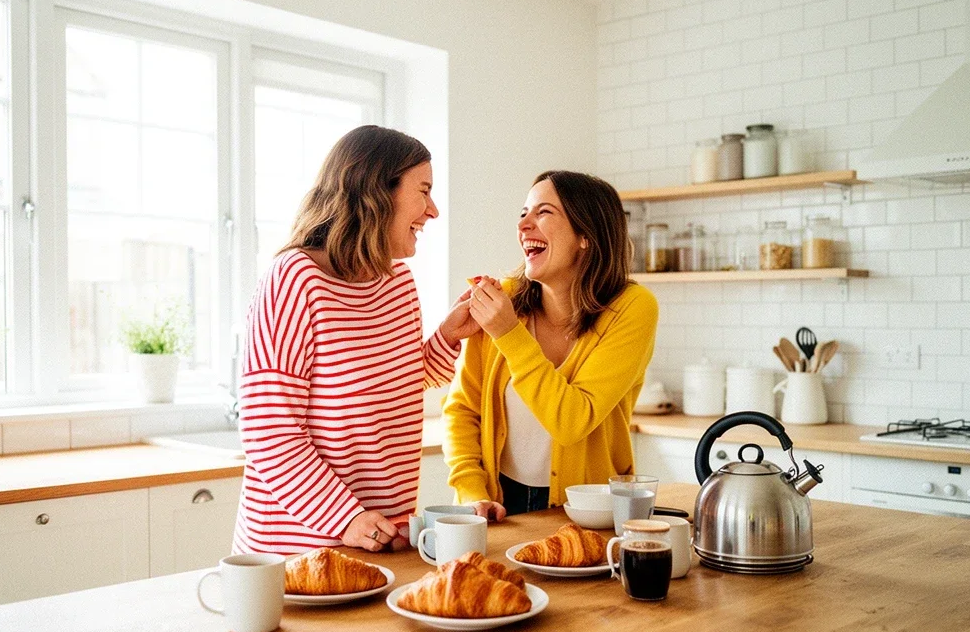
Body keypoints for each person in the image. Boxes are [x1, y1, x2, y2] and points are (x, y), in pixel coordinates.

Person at [233, 126, 478, 555]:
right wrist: (345, 518)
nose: (433, 210)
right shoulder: (294, 280)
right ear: (378, 192)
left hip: (381, 539)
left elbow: (400, 380)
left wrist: (447, 336)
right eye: (424, 191)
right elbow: (269, 430)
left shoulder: (396, 280)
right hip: (297, 551)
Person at [443, 170, 657, 518]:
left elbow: (572, 421)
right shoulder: (504, 300)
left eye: (543, 212)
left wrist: (509, 334)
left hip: (587, 509)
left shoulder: (631, 308)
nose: (524, 225)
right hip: (496, 506)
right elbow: (463, 411)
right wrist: (470, 492)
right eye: (523, 213)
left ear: (585, 235)